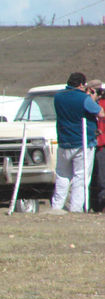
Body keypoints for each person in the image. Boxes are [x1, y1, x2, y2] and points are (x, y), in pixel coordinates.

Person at [50, 73, 104, 213]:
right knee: (81, 177)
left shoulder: (58, 97)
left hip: (64, 141)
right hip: (83, 142)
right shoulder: (84, 98)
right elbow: (100, 113)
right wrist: (92, 98)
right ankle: (76, 208)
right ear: (81, 84)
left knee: (62, 175)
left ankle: (57, 206)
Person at [91, 80, 105, 212]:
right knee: (100, 178)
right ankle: (99, 204)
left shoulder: (99, 104)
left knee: (102, 178)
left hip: (101, 144)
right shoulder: (95, 104)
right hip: (99, 144)